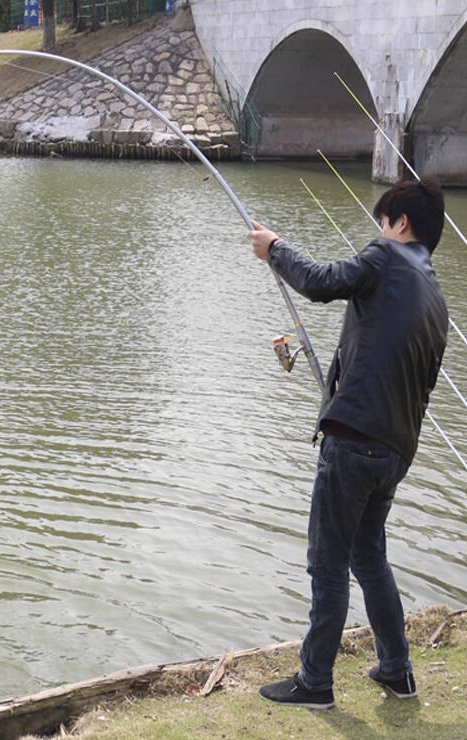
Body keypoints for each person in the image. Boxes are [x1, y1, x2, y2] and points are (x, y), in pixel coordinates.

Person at [245, 178, 448, 709]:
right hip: (395, 450)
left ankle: (315, 683)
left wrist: (275, 249)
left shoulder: (385, 255)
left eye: (383, 220)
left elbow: (318, 281)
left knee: (328, 561)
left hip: (354, 441)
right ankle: (397, 670)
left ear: (400, 223)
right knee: (369, 556)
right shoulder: (436, 295)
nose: (379, 230)